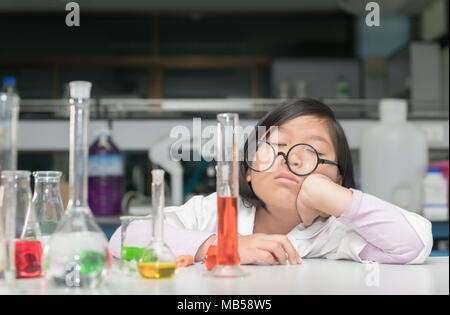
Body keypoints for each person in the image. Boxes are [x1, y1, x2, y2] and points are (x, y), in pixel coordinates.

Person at [109, 98, 432, 265]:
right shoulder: (215, 212)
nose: (291, 159)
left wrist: (331, 196)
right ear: (248, 170)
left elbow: (413, 245)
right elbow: (125, 240)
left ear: (338, 178)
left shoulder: (332, 232)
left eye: (314, 153)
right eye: (276, 147)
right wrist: (222, 246)